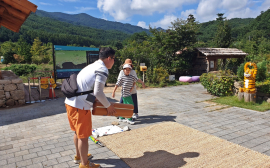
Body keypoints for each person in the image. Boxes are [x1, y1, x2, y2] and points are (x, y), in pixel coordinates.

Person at [65, 47, 116, 168]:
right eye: (114, 59)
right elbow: (98, 92)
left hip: (70, 103)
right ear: (109, 58)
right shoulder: (102, 69)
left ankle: (79, 156)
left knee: (77, 132)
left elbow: (84, 90)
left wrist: (94, 100)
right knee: (83, 136)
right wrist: (108, 106)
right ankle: (85, 165)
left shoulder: (92, 65)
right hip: (80, 107)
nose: (114, 61)